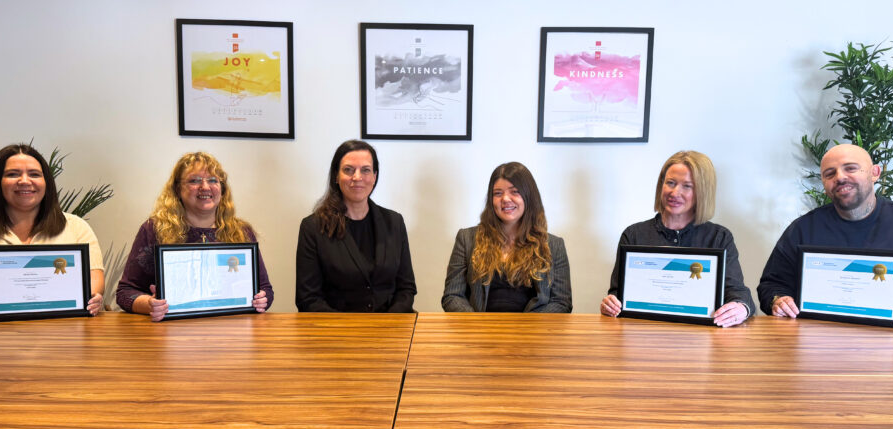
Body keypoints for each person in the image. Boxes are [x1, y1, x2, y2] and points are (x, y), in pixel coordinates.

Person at [758, 144, 893, 329]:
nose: (840, 177)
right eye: (830, 173)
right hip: (818, 338)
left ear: (875, 173)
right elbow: (772, 285)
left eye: (851, 168)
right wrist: (779, 301)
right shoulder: (803, 229)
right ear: (824, 184)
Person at [0, 144, 104, 324]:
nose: (24, 181)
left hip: (63, 330)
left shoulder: (77, 228)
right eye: (13, 174)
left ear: (46, 182)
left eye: (34, 174)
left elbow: (94, 279)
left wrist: (89, 298)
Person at [600, 151, 754, 327]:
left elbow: (737, 292)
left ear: (702, 192)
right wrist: (611, 304)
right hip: (644, 333)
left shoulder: (719, 237)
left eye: (687, 186)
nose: (675, 192)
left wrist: (741, 308)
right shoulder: (634, 235)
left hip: (701, 337)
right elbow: (618, 294)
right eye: (670, 183)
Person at [116, 152, 273, 321]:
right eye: (194, 181)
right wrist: (149, 304)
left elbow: (265, 289)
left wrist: (261, 300)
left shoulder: (241, 231)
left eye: (213, 180)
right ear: (177, 189)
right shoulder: (154, 229)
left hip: (231, 329)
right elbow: (125, 292)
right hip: (172, 331)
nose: (205, 187)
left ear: (222, 189)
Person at [295, 140, 416, 312]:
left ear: (374, 176)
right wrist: (351, 326)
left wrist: (389, 322)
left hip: (390, 323)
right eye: (348, 170)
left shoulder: (394, 222)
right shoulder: (313, 227)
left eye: (365, 170)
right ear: (336, 176)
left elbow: (406, 288)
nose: (357, 177)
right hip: (336, 326)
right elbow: (308, 299)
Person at [442, 162, 572, 313]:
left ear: (529, 196)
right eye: (498, 193)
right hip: (479, 327)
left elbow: (561, 302)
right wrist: (476, 323)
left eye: (514, 192)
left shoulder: (554, 246)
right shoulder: (466, 239)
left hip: (533, 327)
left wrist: (529, 325)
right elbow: (452, 296)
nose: (505, 198)